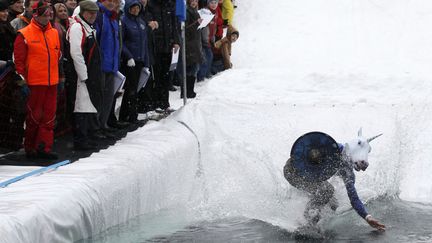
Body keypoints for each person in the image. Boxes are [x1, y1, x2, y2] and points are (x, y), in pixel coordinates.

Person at [283, 132, 386, 231]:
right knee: (327, 191)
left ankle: (314, 220)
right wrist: (314, 155)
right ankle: (307, 222)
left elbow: (354, 198)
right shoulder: (332, 147)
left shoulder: (347, 172)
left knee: (334, 203)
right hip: (293, 170)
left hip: (310, 177)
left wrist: (367, 217)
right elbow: (306, 143)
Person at [13, 0, 62, 159]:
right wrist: (22, 82)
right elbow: (18, 62)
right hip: (34, 83)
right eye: (44, 14)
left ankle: (44, 148)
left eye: (49, 14)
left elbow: (58, 56)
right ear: (35, 15)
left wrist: (60, 78)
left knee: (49, 116)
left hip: (51, 82)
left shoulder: (54, 32)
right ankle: (31, 147)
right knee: (34, 117)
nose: (47, 17)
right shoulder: (24, 34)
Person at [67, 0, 103, 150]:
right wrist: (84, 75)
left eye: (94, 13)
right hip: (79, 75)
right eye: (90, 13)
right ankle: (80, 140)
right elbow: (76, 53)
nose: (93, 16)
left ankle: (86, 136)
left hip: (88, 73)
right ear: (82, 12)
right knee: (80, 107)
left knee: (87, 106)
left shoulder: (88, 27)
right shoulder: (77, 27)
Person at [119, 0, 149, 123]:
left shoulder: (141, 22)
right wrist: (128, 56)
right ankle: (127, 116)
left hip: (140, 60)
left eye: (138, 8)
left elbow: (144, 43)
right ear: (128, 8)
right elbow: (122, 41)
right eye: (133, 8)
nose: (136, 10)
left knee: (136, 88)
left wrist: (146, 62)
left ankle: (131, 114)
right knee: (130, 89)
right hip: (130, 61)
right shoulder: (124, 21)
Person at [182, 0, 203, 98]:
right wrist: (196, 23)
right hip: (190, 44)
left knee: (194, 68)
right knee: (190, 69)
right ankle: (187, 91)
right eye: (192, 0)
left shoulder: (196, 11)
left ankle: (190, 90)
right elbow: (185, 29)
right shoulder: (187, 11)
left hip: (195, 43)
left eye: (196, 0)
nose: (194, 2)